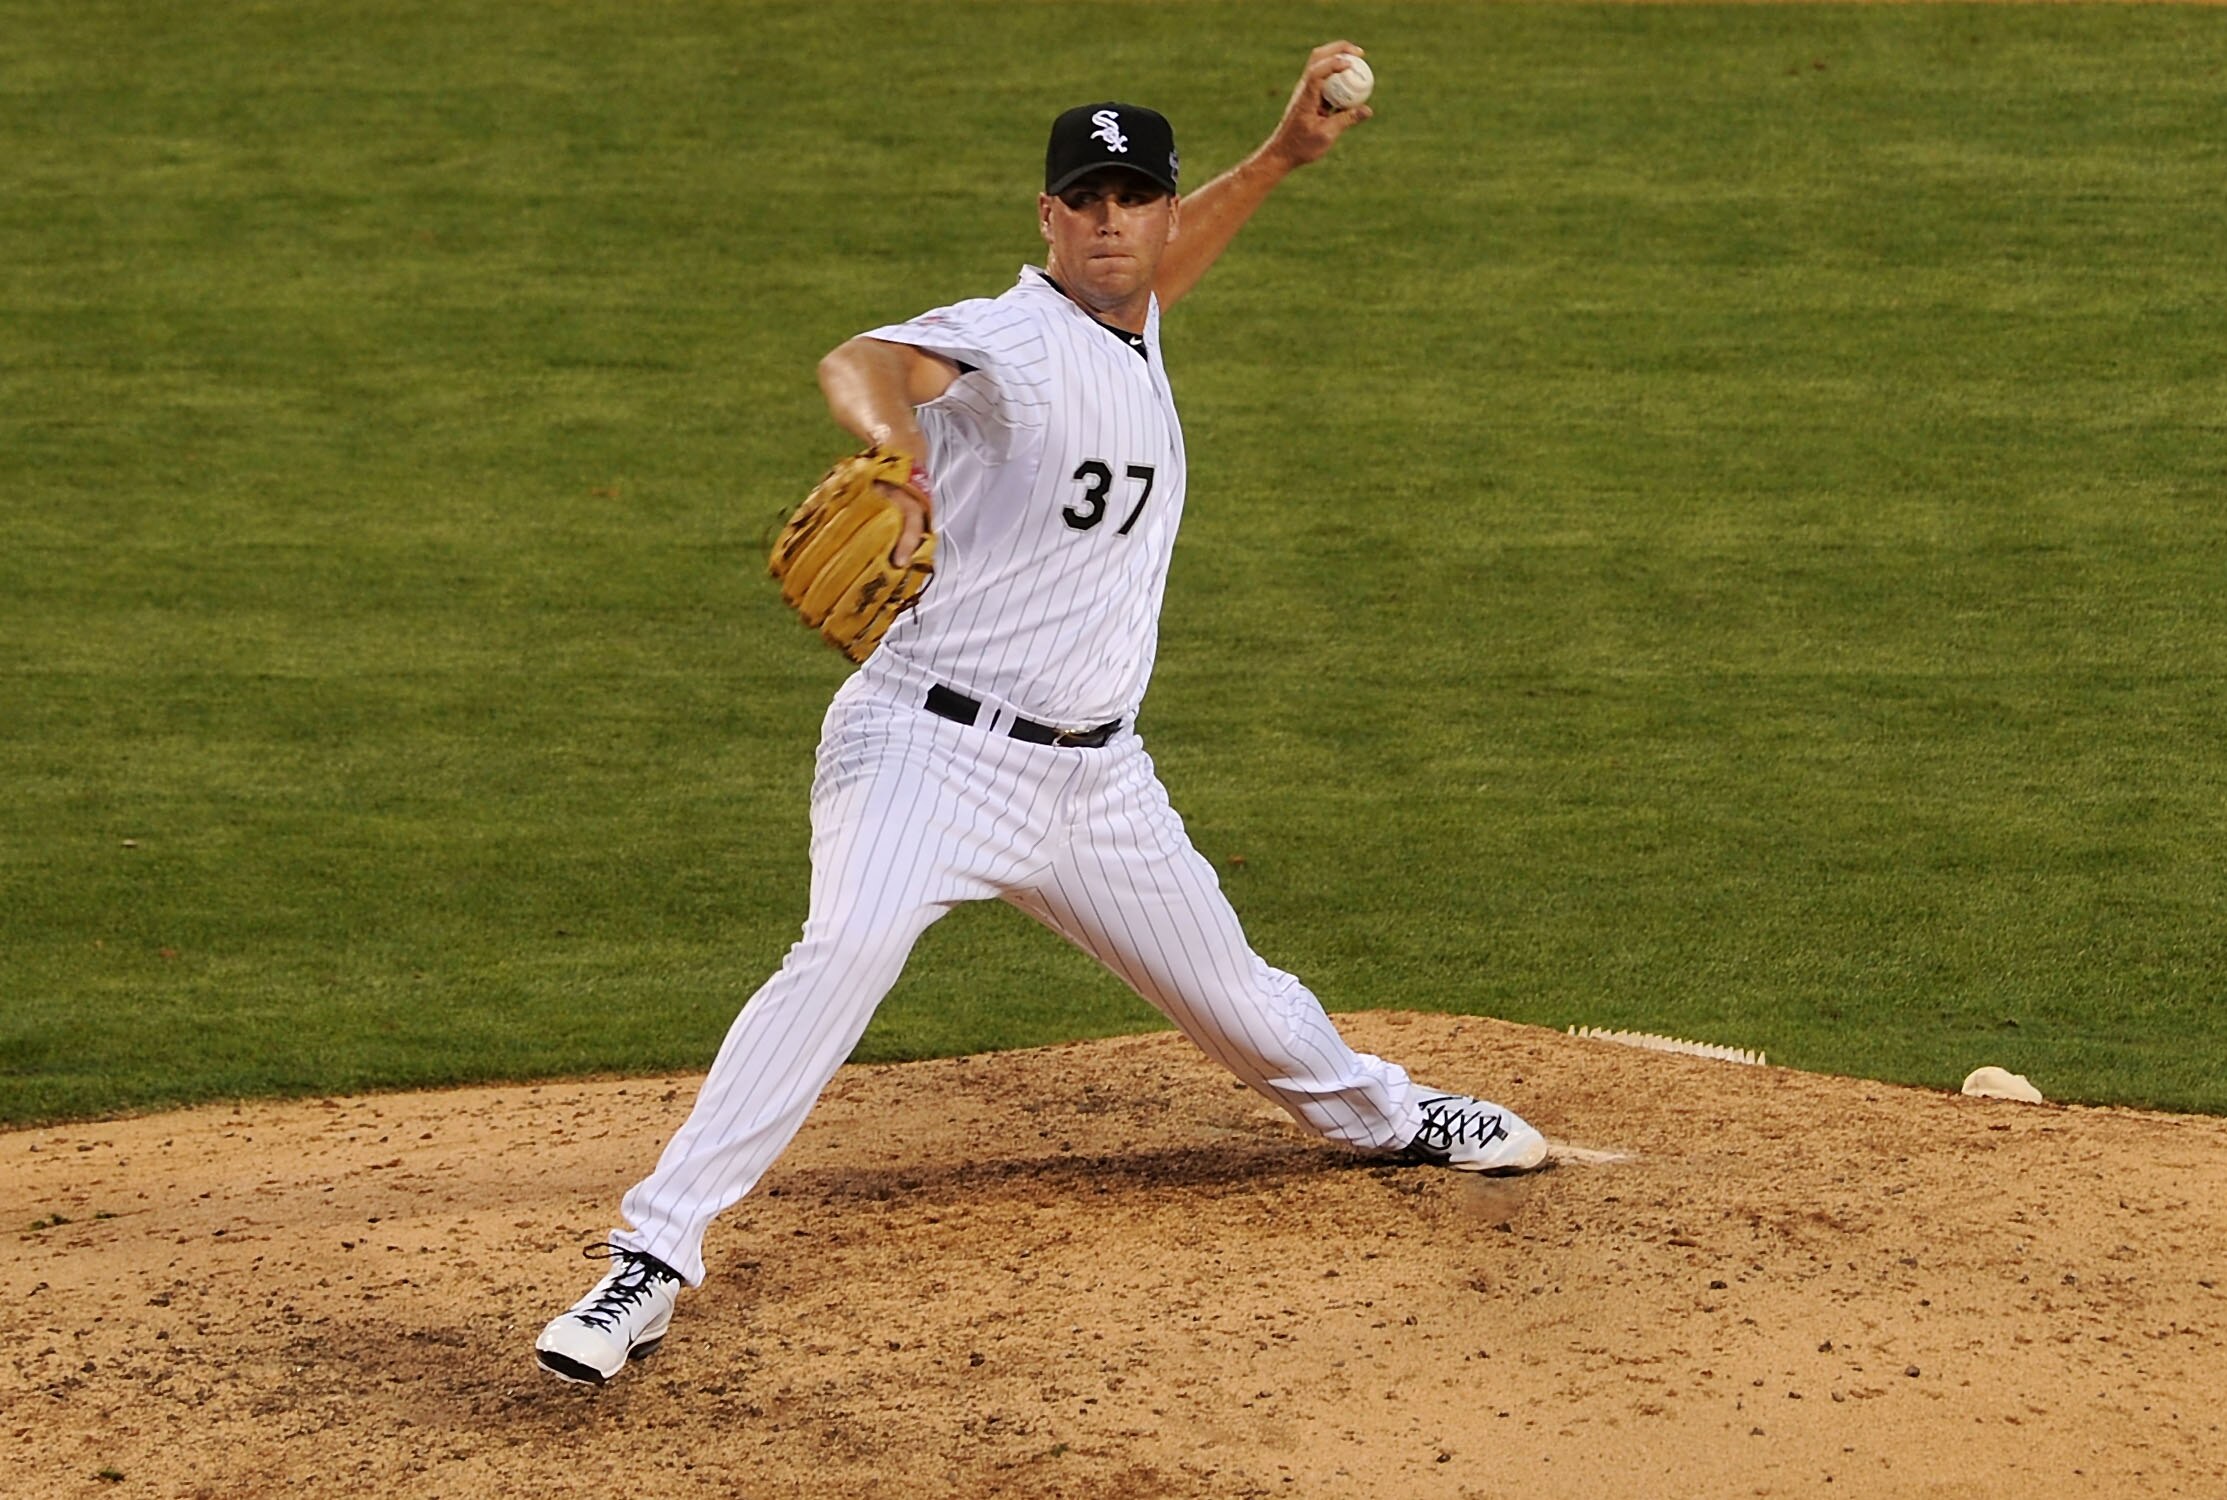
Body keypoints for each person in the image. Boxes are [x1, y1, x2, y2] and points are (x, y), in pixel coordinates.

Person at [534, 42, 1548, 1388]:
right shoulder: (1009, 333)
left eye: (1134, 196)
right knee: (839, 954)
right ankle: (648, 1262)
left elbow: (1159, 285)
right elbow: (867, 358)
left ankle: (1390, 1116)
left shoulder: (1132, 322)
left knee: (1239, 1001)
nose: (1112, 220)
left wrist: (1288, 158)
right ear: (1049, 218)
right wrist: (892, 452)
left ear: (1160, 209)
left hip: (1095, 786)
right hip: (928, 750)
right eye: (1087, 198)